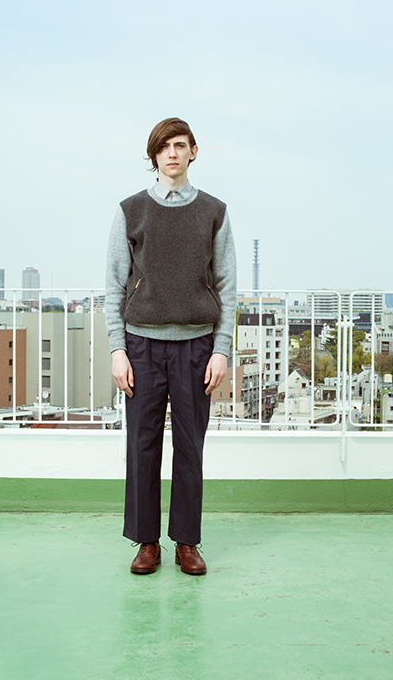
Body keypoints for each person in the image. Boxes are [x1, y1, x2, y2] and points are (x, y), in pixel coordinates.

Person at [105, 117, 236, 575]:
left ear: (193, 151)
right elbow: (114, 284)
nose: (172, 153)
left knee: (190, 447)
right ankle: (146, 541)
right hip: (141, 345)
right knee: (141, 446)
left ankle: (186, 542)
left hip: (197, 347)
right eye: (164, 147)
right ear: (154, 155)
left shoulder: (214, 211)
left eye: (180, 145)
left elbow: (227, 285)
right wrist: (117, 349)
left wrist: (221, 349)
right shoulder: (131, 210)